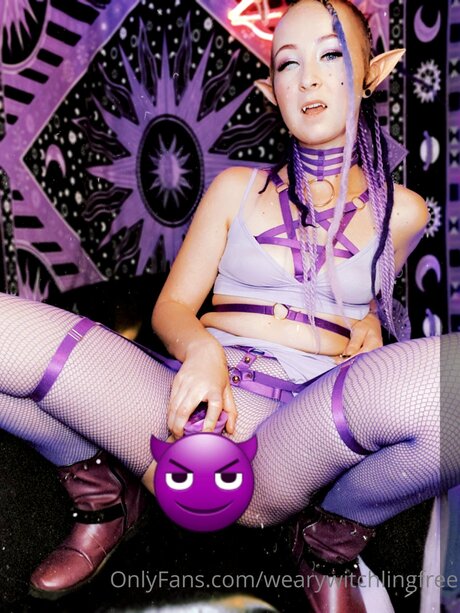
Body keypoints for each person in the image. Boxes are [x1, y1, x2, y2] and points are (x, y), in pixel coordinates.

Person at [0, 0, 458, 609]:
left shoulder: (404, 212)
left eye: (331, 56)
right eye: (288, 64)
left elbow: (369, 298)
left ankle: (327, 543)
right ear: (271, 91)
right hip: (180, 404)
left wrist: (371, 320)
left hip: (299, 431)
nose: (309, 79)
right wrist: (202, 353)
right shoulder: (233, 188)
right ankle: (105, 494)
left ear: (374, 73)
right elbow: (172, 307)